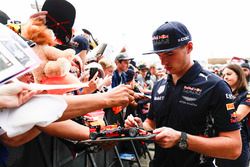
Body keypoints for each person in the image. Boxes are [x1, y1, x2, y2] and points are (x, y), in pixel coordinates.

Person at [125, 21, 241, 167]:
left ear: (189, 47)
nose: (163, 61)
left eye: (169, 53)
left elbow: (234, 148)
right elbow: (152, 124)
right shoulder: (160, 85)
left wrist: (182, 139)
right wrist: (140, 127)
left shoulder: (215, 86)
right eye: (159, 54)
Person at [215, 64, 250, 167]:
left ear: (239, 76)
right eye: (223, 74)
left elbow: (237, 116)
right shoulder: (223, 94)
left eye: (229, 74)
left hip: (239, 141)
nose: (225, 77)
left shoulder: (247, 95)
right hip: (221, 139)